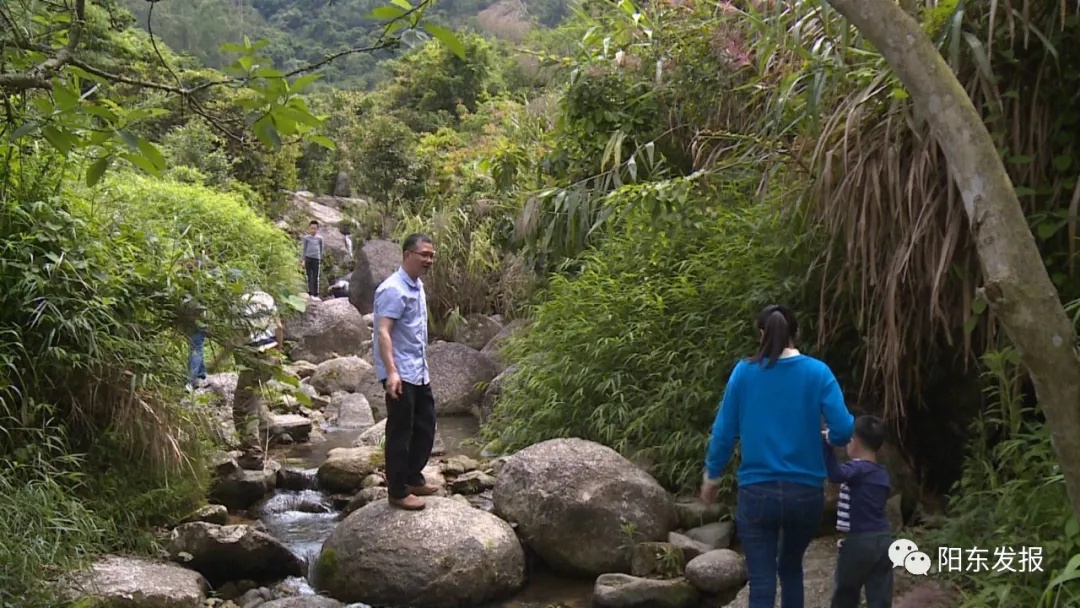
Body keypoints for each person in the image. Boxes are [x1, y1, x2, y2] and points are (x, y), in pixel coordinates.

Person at [700, 304, 855, 608]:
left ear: (761, 334)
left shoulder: (744, 373)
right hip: (806, 493)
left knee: (762, 579)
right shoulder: (817, 371)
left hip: (757, 492)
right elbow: (844, 427)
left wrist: (712, 476)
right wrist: (832, 438)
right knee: (791, 567)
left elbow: (724, 431)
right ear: (795, 333)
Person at [372, 233, 439, 510]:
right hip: (400, 372)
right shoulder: (393, 289)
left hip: (418, 370)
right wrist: (392, 373)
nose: (429, 260)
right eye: (424, 254)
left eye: (432, 256)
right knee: (400, 431)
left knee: (426, 425)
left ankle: (413, 477)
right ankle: (397, 490)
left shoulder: (416, 285)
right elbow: (383, 332)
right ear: (407, 255)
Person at [824, 415, 893, 608]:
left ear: (854, 442)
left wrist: (828, 447)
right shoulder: (881, 473)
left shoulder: (858, 468)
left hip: (859, 541)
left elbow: (836, 475)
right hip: (883, 538)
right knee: (880, 595)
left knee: (845, 593)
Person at [229, 290, 284, 470]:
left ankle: (253, 454)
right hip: (271, 355)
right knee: (255, 398)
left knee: (242, 407)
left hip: (254, 358)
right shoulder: (267, 298)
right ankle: (269, 433)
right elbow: (279, 327)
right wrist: (278, 351)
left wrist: (223, 360)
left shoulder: (239, 305)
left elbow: (238, 337)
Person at [301, 220, 324, 299]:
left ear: (317, 229)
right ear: (309, 229)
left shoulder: (320, 239)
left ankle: (316, 293)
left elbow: (321, 249)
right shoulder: (306, 238)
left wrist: (320, 257)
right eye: (312, 228)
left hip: (316, 259)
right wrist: (303, 260)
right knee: (309, 276)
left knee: (315, 276)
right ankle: (310, 292)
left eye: (315, 229)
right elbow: (304, 249)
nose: (313, 230)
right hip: (308, 258)